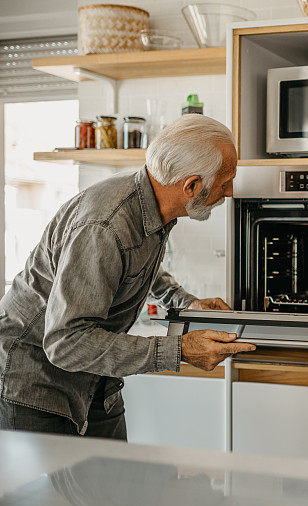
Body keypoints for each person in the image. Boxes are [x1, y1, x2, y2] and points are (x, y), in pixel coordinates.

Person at [0, 114, 256, 439]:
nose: (230, 191)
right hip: (33, 383)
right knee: (41, 492)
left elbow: (132, 265)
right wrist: (179, 350)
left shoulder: (149, 204)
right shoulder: (105, 226)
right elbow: (66, 342)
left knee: (116, 485)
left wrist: (186, 301)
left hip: (93, 376)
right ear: (191, 186)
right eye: (225, 181)